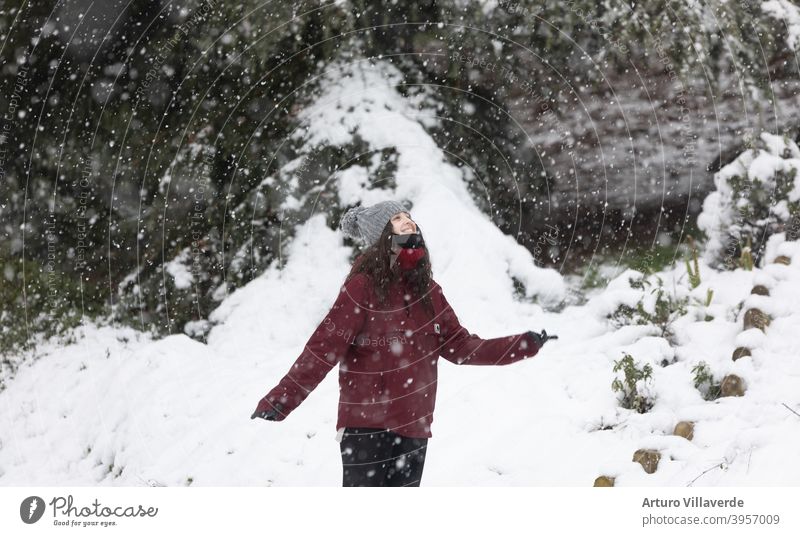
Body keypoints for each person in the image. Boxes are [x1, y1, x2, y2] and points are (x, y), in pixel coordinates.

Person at [251, 200, 557, 486]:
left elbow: (462, 347)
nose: (408, 223)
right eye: (397, 219)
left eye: (409, 218)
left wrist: (521, 344)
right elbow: (324, 347)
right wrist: (282, 398)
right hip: (366, 426)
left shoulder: (429, 292)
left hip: (414, 426)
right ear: (382, 235)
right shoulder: (363, 287)